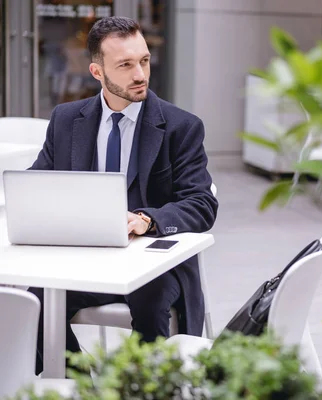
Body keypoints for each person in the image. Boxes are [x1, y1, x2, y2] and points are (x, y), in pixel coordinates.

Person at [28, 16, 218, 375]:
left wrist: (147, 219)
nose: (140, 74)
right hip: (87, 261)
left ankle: (142, 386)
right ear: (97, 72)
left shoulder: (181, 126)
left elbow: (202, 203)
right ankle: (83, 382)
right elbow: (40, 184)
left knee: (150, 301)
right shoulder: (66, 120)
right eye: (126, 65)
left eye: (144, 60)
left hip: (155, 269)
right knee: (33, 300)